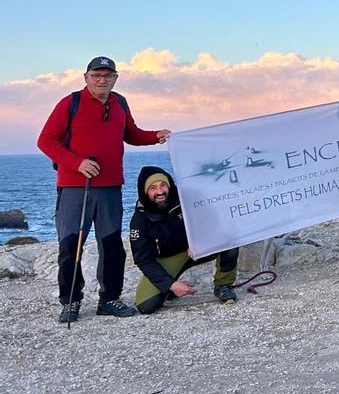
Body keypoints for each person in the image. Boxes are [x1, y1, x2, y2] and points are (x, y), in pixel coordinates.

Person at [36, 56, 171, 323]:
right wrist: (77, 163)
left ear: (115, 78)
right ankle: (71, 302)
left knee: (111, 247)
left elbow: (131, 134)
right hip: (75, 188)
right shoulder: (70, 103)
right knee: (70, 246)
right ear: (85, 77)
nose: (102, 80)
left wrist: (156, 135)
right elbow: (46, 140)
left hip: (110, 188)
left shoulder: (119, 102)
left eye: (107, 76)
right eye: (96, 75)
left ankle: (109, 299)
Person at [129, 166, 240, 314]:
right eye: (153, 188)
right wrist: (171, 284)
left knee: (229, 238)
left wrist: (198, 239)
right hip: (168, 258)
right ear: (145, 191)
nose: (160, 191)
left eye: (163, 185)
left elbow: (214, 221)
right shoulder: (139, 220)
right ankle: (170, 291)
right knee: (146, 305)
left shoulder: (186, 198)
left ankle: (223, 284)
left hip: (196, 248)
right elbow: (143, 260)